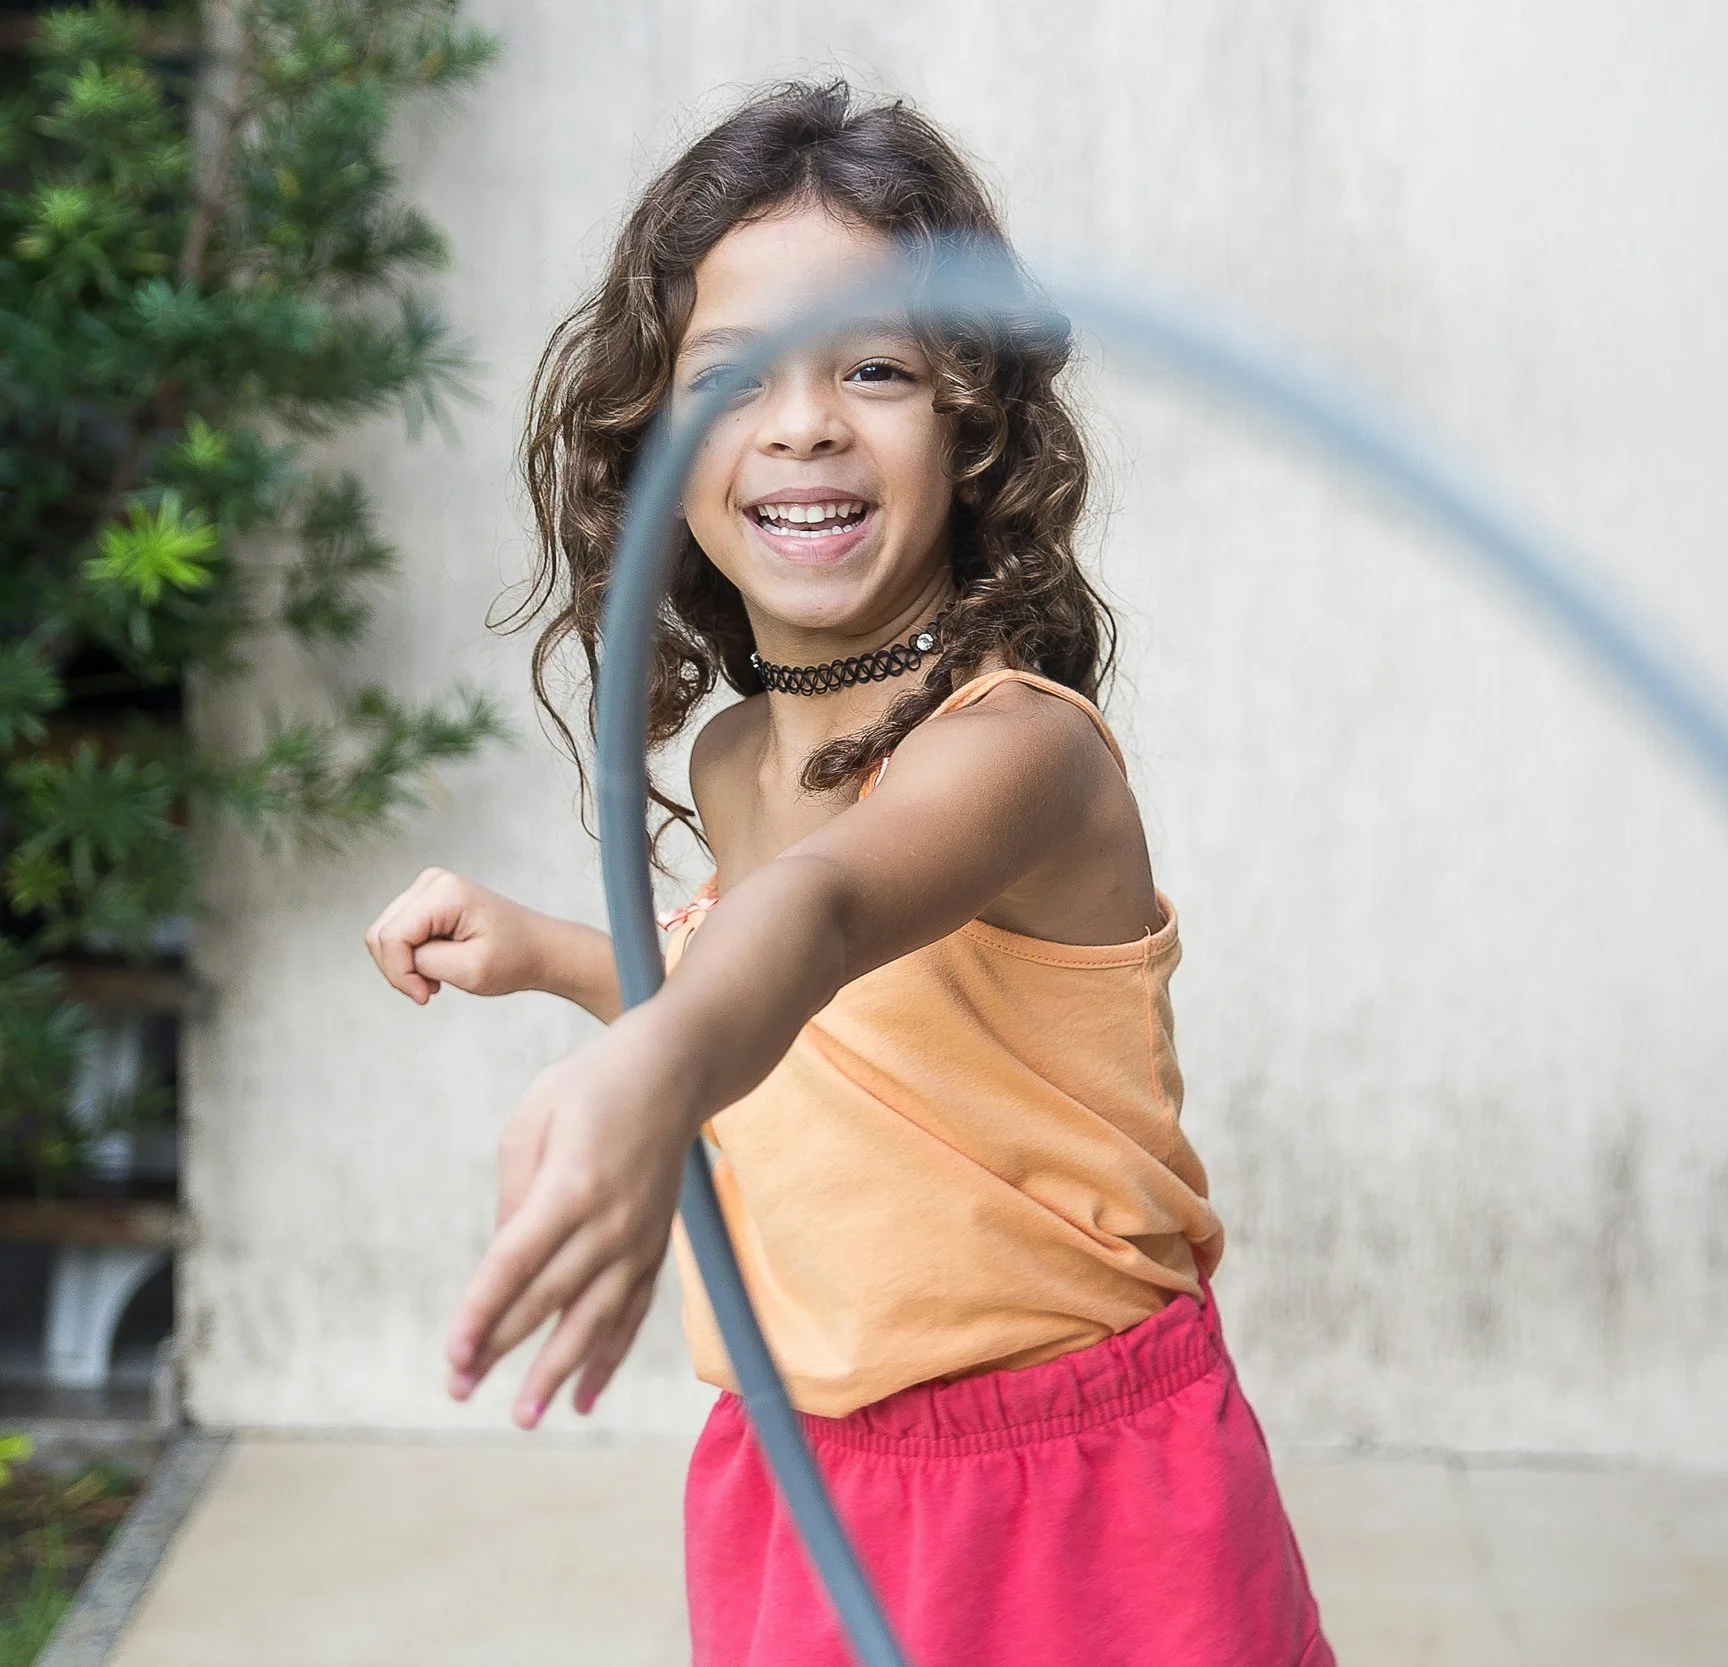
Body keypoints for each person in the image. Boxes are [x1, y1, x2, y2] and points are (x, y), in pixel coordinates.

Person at [362, 81, 1333, 1667]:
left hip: (1082, 1490)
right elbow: (809, 1023)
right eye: (733, 376)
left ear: (973, 423)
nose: (805, 418)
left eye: (874, 366)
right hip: (803, 1473)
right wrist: (554, 953)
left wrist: (648, 1075)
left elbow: (820, 921)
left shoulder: (1017, 756)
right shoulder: (737, 758)